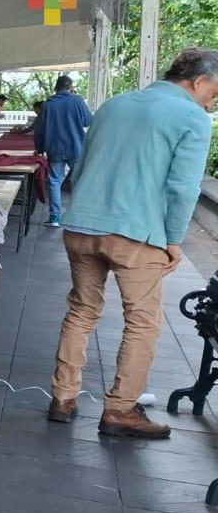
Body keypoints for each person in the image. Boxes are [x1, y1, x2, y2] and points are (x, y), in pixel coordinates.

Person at [48, 48, 218, 439]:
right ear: (197, 82)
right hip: (135, 234)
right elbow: (183, 187)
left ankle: (62, 397)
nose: (212, 101)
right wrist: (174, 240)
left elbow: (83, 162)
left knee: (81, 311)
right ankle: (121, 410)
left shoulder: (114, 104)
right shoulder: (192, 116)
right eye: (214, 92)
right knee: (142, 323)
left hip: (82, 226)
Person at [36, 76, 93, 227]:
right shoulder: (77, 100)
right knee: (79, 181)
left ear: (56, 88)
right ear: (70, 87)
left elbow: (40, 129)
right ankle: (78, 217)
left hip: (55, 149)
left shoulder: (48, 104)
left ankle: (55, 218)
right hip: (76, 147)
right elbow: (88, 121)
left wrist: (39, 148)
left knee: (54, 181)